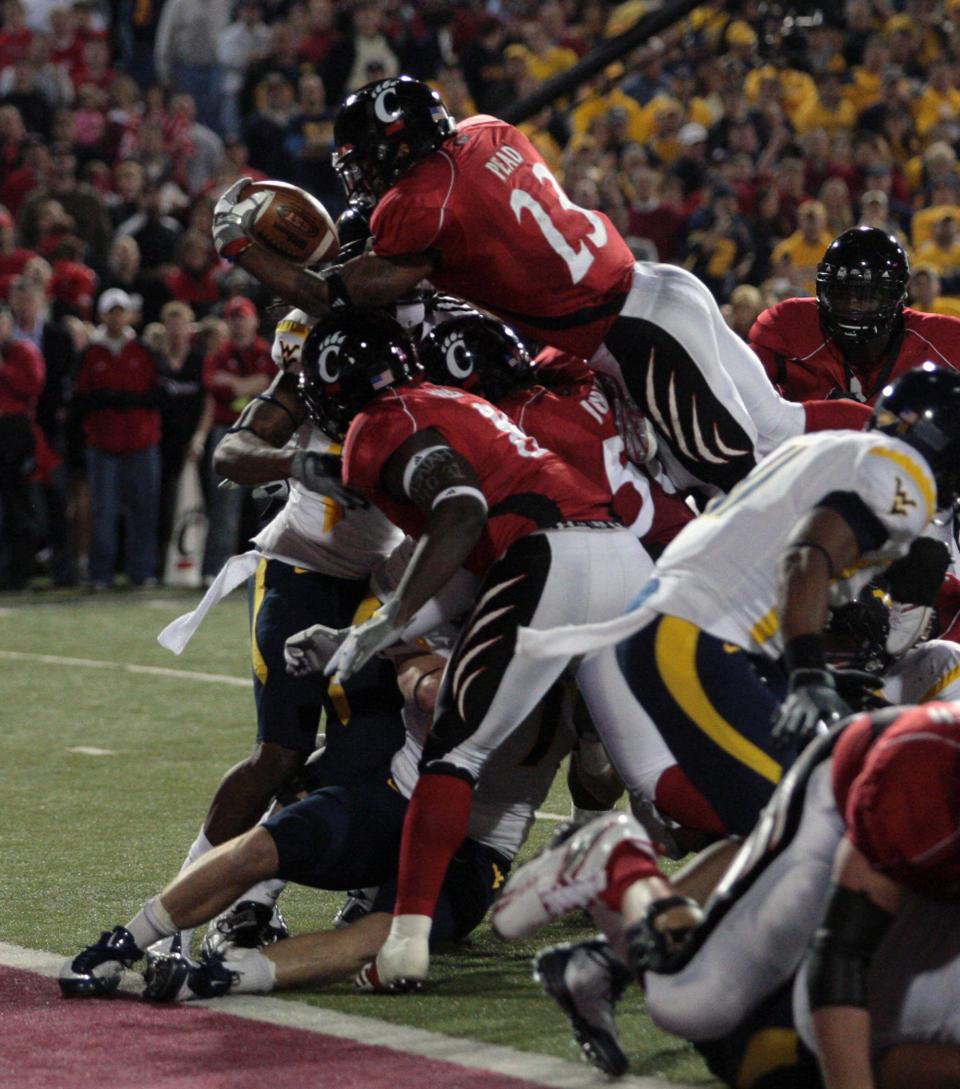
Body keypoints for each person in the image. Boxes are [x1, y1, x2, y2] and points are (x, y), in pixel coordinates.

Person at [211, 75, 859, 500]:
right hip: (663, 289)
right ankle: (893, 440)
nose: (359, 181)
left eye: (361, 165)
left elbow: (341, 294)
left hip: (634, 333)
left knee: (743, 489)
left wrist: (241, 247)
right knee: (780, 426)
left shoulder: (419, 204)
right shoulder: (486, 131)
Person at [280, 308, 677, 992]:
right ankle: (738, 884)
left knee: (454, 753)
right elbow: (469, 566)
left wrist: (389, 619)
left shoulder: (392, 421)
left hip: (552, 555)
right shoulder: (494, 408)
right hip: (626, 560)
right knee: (652, 778)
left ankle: (405, 942)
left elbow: (462, 514)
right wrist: (372, 633)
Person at [515, 365, 960, 840]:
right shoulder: (901, 478)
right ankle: (605, 868)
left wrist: (798, 671)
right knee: (801, 825)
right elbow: (805, 556)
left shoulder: (826, 447)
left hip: (687, 628)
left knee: (789, 816)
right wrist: (808, 671)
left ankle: (653, 905)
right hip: (698, 639)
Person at [493, 696, 960, 1089]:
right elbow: (841, 958)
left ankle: (606, 959)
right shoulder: (926, 775)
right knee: (695, 1002)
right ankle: (619, 863)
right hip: (842, 801)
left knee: (821, 1053)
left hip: (925, 859)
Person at [751, 226, 960, 408]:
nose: (852, 305)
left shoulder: (941, 340)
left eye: (866, 296)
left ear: (896, 294)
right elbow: (736, 381)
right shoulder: (793, 324)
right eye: (841, 293)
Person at [73, 287, 161, 590]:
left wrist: (115, 400)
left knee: (143, 510)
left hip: (140, 441)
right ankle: (102, 573)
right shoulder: (91, 353)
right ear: (103, 315)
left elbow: (157, 393)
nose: (116, 317)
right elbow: (80, 398)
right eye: (112, 311)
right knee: (103, 512)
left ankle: (142, 570)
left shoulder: (143, 351)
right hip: (104, 444)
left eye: (120, 311)